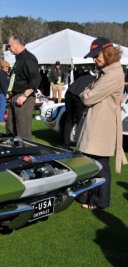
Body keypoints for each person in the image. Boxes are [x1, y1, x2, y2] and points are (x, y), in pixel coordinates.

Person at [77, 37, 127, 210]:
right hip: (97, 123)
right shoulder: (107, 72)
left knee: (100, 165)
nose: (94, 59)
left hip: (101, 126)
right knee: (90, 161)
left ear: (107, 53)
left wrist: (86, 93)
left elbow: (88, 97)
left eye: (96, 55)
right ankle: (86, 195)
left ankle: (99, 201)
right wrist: (88, 92)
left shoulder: (113, 74)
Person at [5, 34, 41, 140]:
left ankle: (26, 155)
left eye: (9, 45)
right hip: (14, 96)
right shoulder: (18, 58)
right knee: (10, 128)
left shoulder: (28, 58)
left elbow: (35, 79)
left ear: (16, 44)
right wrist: (10, 92)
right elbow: (15, 77)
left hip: (24, 98)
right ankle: (13, 153)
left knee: (22, 132)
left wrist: (25, 96)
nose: (8, 48)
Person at [62, 70, 96, 147]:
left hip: (69, 93)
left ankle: (66, 143)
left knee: (69, 119)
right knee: (80, 121)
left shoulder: (84, 77)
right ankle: (79, 142)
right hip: (78, 97)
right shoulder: (95, 80)